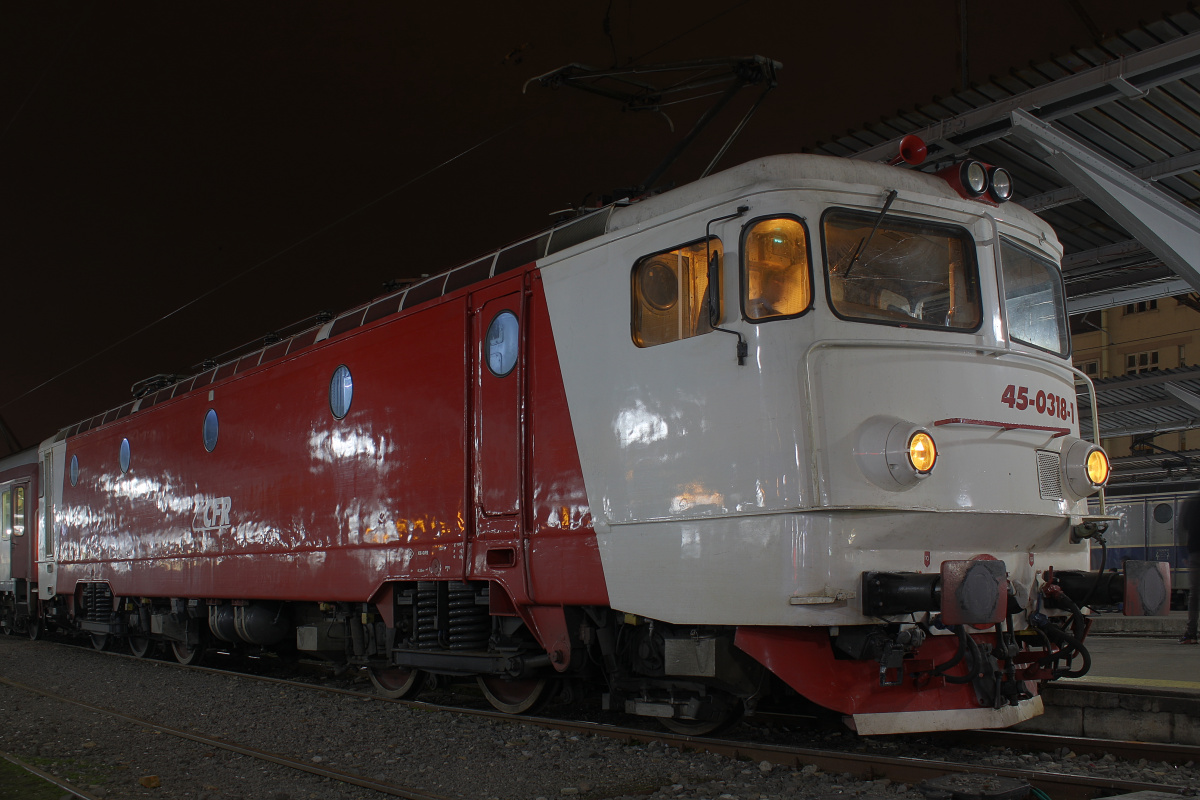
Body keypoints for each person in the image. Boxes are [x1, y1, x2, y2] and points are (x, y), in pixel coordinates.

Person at [1181, 492, 1200, 644]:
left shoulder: (1190, 502)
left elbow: (1182, 530)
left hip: (1195, 554)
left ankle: (1191, 634)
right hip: (1194, 555)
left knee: (1195, 596)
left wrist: (1184, 555)